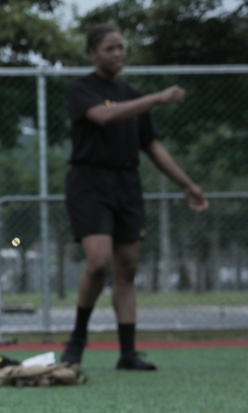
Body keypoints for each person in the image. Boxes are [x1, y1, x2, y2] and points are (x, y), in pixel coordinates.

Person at [61, 24, 208, 370]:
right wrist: (156, 98)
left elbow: (153, 147)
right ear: (93, 53)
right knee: (98, 262)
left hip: (127, 184)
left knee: (126, 268)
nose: (118, 54)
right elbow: (105, 116)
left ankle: (127, 352)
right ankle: (77, 342)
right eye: (110, 48)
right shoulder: (81, 88)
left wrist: (187, 184)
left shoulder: (132, 93)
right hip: (89, 182)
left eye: (121, 47)